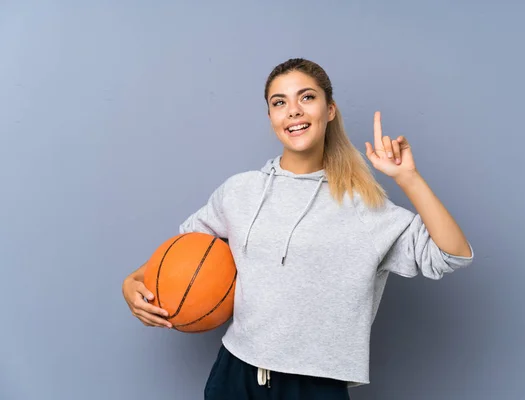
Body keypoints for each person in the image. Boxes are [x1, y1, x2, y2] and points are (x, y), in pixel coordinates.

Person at [122, 58, 474, 399]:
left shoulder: (364, 205)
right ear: (271, 117)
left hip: (316, 383)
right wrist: (132, 282)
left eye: (306, 97)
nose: (293, 110)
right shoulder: (240, 191)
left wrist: (408, 178)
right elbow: (186, 249)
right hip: (235, 372)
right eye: (280, 102)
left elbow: (451, 254)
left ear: (330, 109)